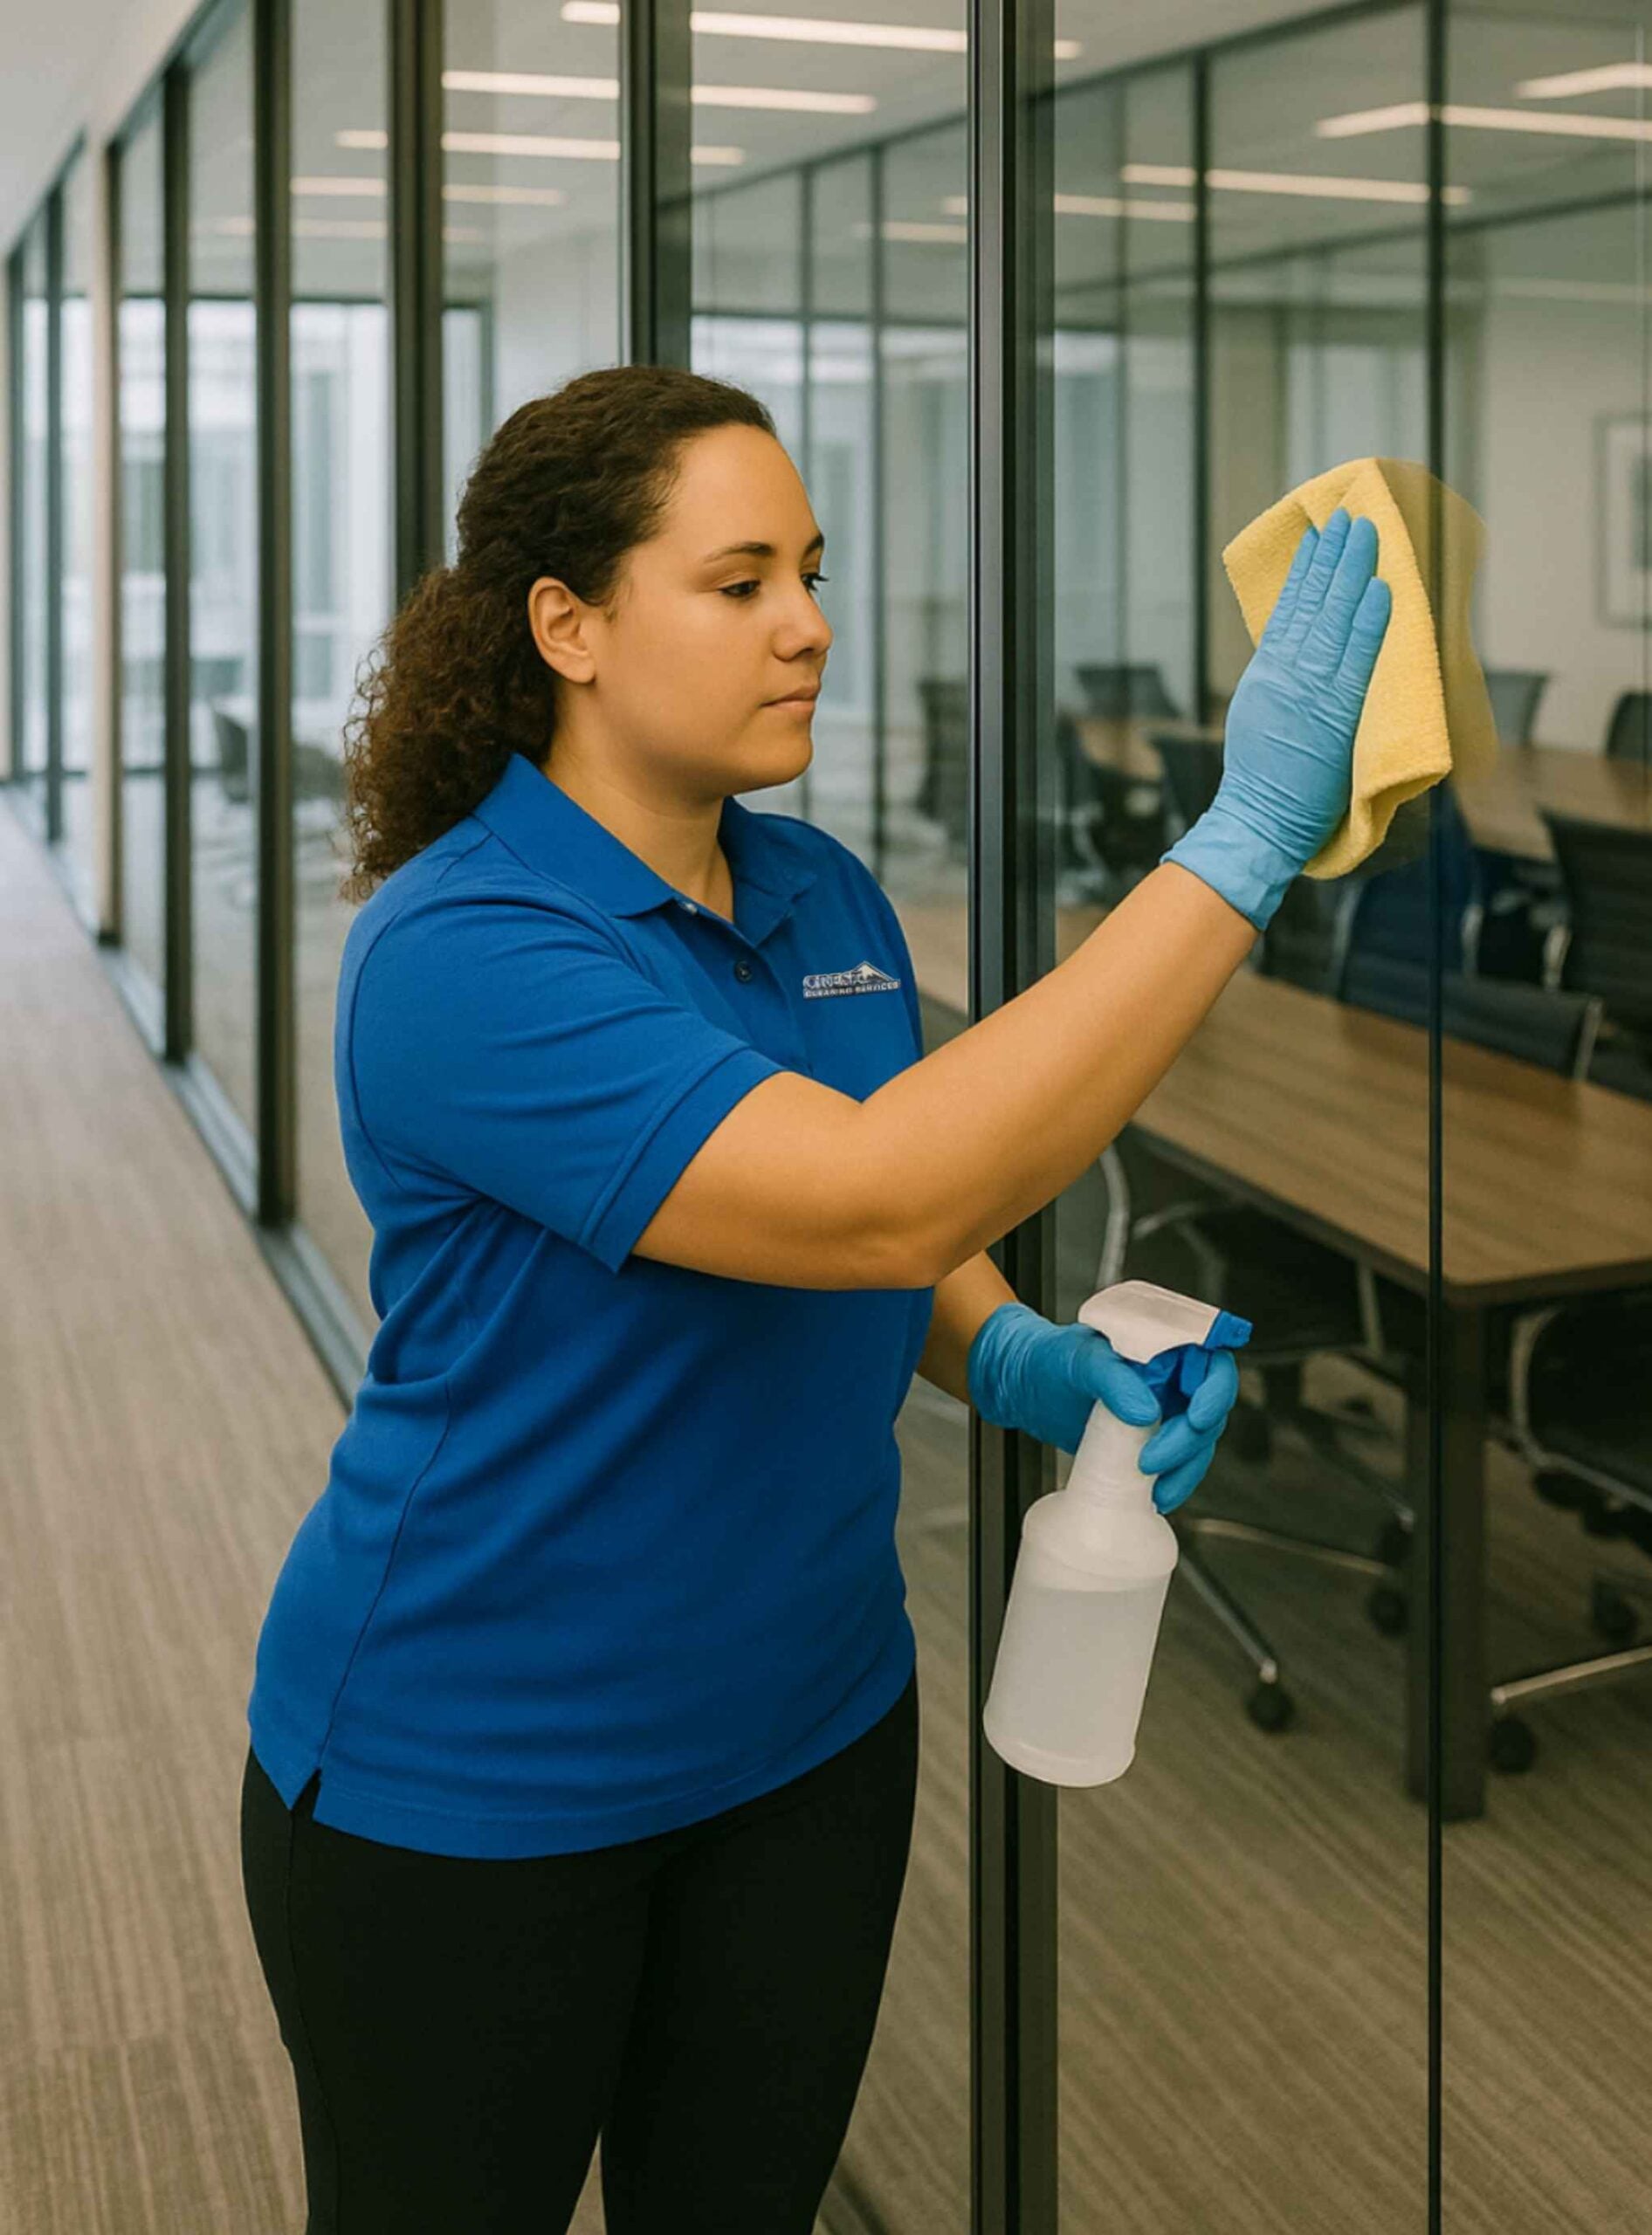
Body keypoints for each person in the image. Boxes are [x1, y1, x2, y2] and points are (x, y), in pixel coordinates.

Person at [238, 362, 1391, 2234]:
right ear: (571, 624)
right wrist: (1239, 841)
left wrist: (1018, 1350)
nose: (812, 623)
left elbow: (882, 1226)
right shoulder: (461, 952)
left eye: (815, 567)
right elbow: (876, 1192)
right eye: (741, 578)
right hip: (474, 1775)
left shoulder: (820, 892)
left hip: (810, 1731)